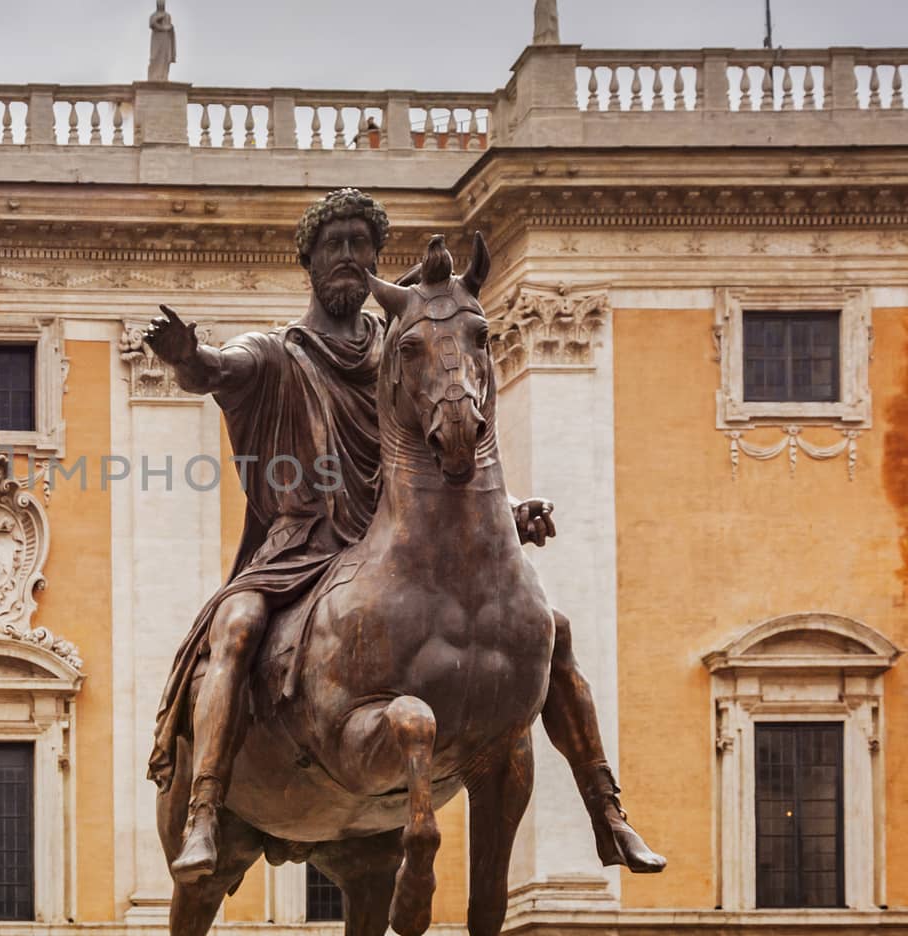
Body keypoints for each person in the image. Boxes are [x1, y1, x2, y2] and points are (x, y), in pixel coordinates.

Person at [144, 188, 665, 883]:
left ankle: (607, 806)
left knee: (551, 629)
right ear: (310, 260)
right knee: (236, 628)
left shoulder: (407, 351)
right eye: (337, 245)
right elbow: (217, 370)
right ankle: (206, 809)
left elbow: (439, 454)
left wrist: (508, 507)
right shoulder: (277, 352)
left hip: (400, 548)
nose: (352, 259)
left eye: (363, 246)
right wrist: (188, 357)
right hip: (304, 549)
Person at [148, 0, 176, 82]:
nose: (161, 4)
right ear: (157, 4)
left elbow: (169, 27)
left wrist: (169, 28)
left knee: (164, 57)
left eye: (162, 2)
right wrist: (159, 20)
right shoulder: (154, 15)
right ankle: (154, 76)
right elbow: (151, 24)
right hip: (156, 38)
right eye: (159, 2)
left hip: (165, 38)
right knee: (155, 56)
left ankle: (163, 76)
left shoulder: (167, 15)